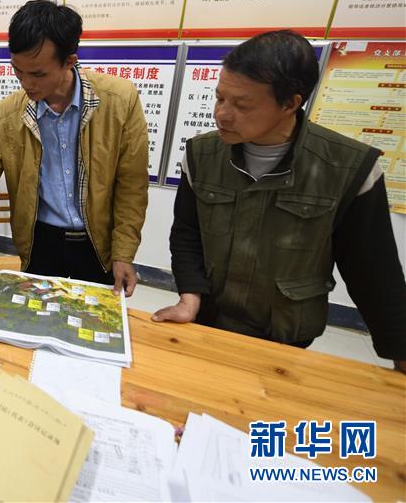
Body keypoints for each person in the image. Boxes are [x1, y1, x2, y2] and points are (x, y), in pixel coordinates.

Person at [152, 30, 406, 372]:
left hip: (286, 335)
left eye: (242, 105)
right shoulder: (201, 154)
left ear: (290, 103)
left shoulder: (349, 168)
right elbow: (187, 233)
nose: (222, 114)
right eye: (220, 98)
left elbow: (374, 272)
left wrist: (400, 352)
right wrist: (190, 296)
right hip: (209, 321)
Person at [0, 0, 149, 296]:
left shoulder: (119, 101)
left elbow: (132, 185)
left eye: (38, 74)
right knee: (37, 315)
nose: (26, 83)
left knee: (93, 319)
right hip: (39, 242)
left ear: (69, 61)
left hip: (99, 243)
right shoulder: (7, 115)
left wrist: (124, 253)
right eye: (18, 71)